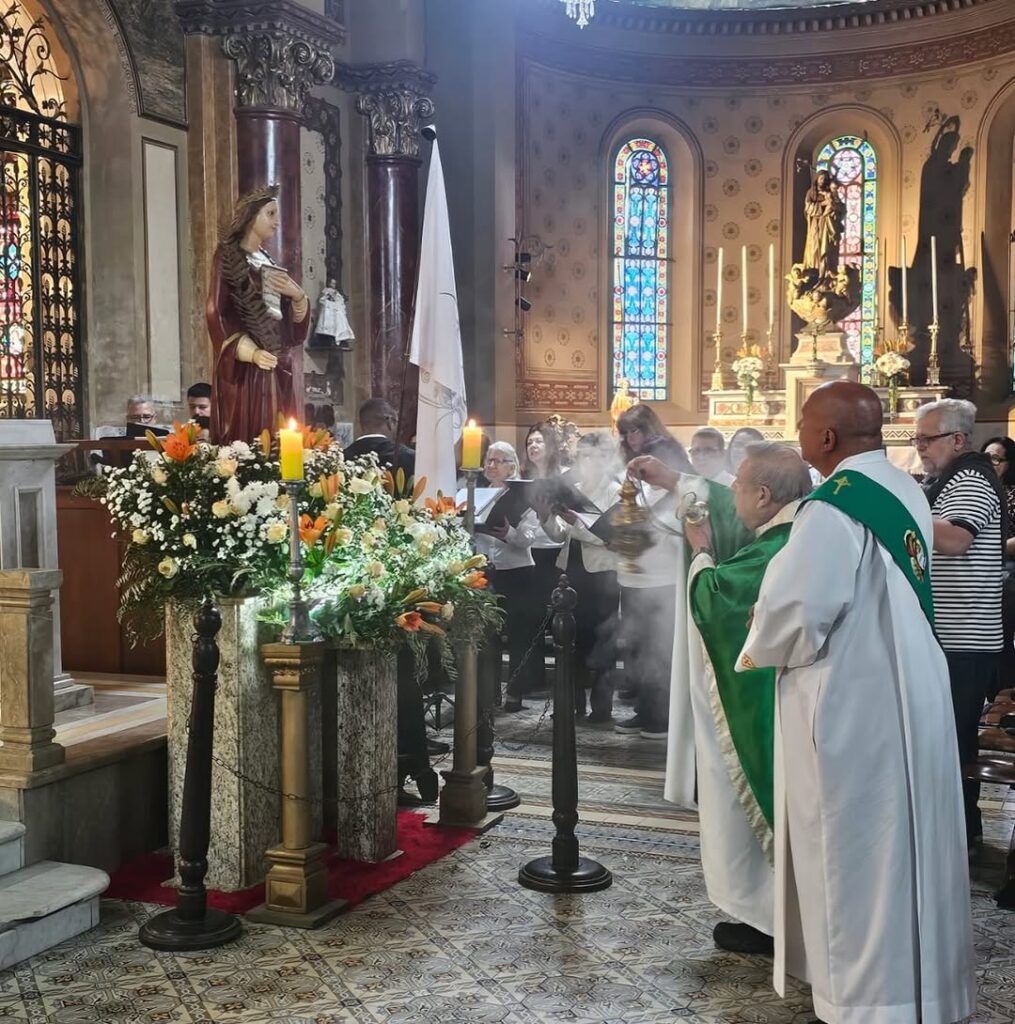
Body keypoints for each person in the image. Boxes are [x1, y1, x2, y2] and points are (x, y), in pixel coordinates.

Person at [737, 380, 975, 1024]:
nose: (798, 434)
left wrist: (759, 630)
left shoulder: (831, 507)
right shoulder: (904, 487)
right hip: (915, 689)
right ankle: (927, 993)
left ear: (827, 436)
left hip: (855, 700)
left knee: (859, 851)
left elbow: (799, 611)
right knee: (911, 845)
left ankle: (869, 1002)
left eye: (803, 423)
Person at [917, 399, 1005, 850]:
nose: (919, 447)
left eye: (926, 439)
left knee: (952, 738)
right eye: (916, 439)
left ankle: (961, 835)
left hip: (964, 637)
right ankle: (956, 831)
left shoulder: (971, 479)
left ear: (956, 439)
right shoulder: (951, 479)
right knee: (947, 737)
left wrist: (900, 511)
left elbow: (954, 539)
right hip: (953, 634)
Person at [207, 184, 310, 444]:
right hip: (247, 370)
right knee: (251, 433)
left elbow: (292, 332)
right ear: (251, 216)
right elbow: (216, 311)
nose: (277, 221)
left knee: (281, 434)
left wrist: (298, 297)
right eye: (270, 214)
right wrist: (250, 352)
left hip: (278, 363)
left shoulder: (269, 262)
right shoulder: (228, 257)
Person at [540, 432, 622, 721]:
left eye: (595, 456)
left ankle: (601, 706)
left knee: (603, 639)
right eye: (583, 456)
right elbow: (560, 535)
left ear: (607, 458)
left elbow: (612, 538)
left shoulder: (615, 492)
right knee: (569, 638)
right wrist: (546, 517)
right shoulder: (571, 489)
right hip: (570, 570)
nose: (588, 462)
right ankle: (570, 702)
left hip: (601, 574)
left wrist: (578, 524)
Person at [982, 434, 1015, 694]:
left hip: (1008, 570)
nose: (990, 463)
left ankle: (1004, 693)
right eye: (986, 457)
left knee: (1001, 635)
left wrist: (991, 548)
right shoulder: (981, 489)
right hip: (984, 568)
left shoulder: (1012, 493)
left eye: (996, 459)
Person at [343, 398, 415, 486]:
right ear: (390, 422)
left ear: (360, 424)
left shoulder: (340, 460)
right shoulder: (408, 457)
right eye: (396, 422)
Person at [802, 168, 845, 279]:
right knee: (816, 247)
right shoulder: (811, 193)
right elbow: (808, 208)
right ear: (816, 179)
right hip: (816, 225)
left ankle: (828, 272)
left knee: (827, 247)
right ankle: (817, 273)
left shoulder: (830, 192)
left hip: (828, 223)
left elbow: (840, 207)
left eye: (825, 179)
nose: (822, 181)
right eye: (821, 178)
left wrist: (833, 205)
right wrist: (822, 204)